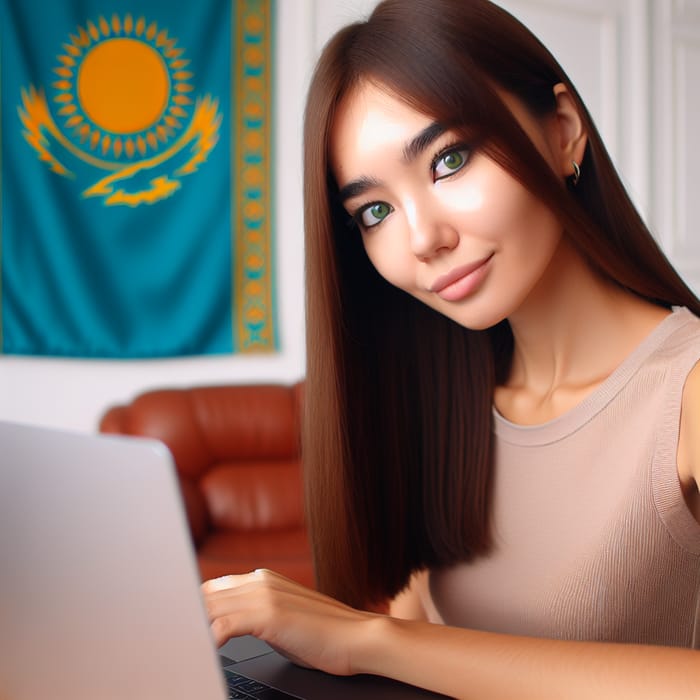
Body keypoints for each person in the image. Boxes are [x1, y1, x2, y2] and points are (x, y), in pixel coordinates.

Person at [203, 0, 700, 697]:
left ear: (561, 132)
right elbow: (419, 655)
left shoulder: (687, 391)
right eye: (375, 211)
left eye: (449, 161)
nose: (421, 239)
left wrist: (372, 638)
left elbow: (404, 644)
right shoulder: (450, 406)